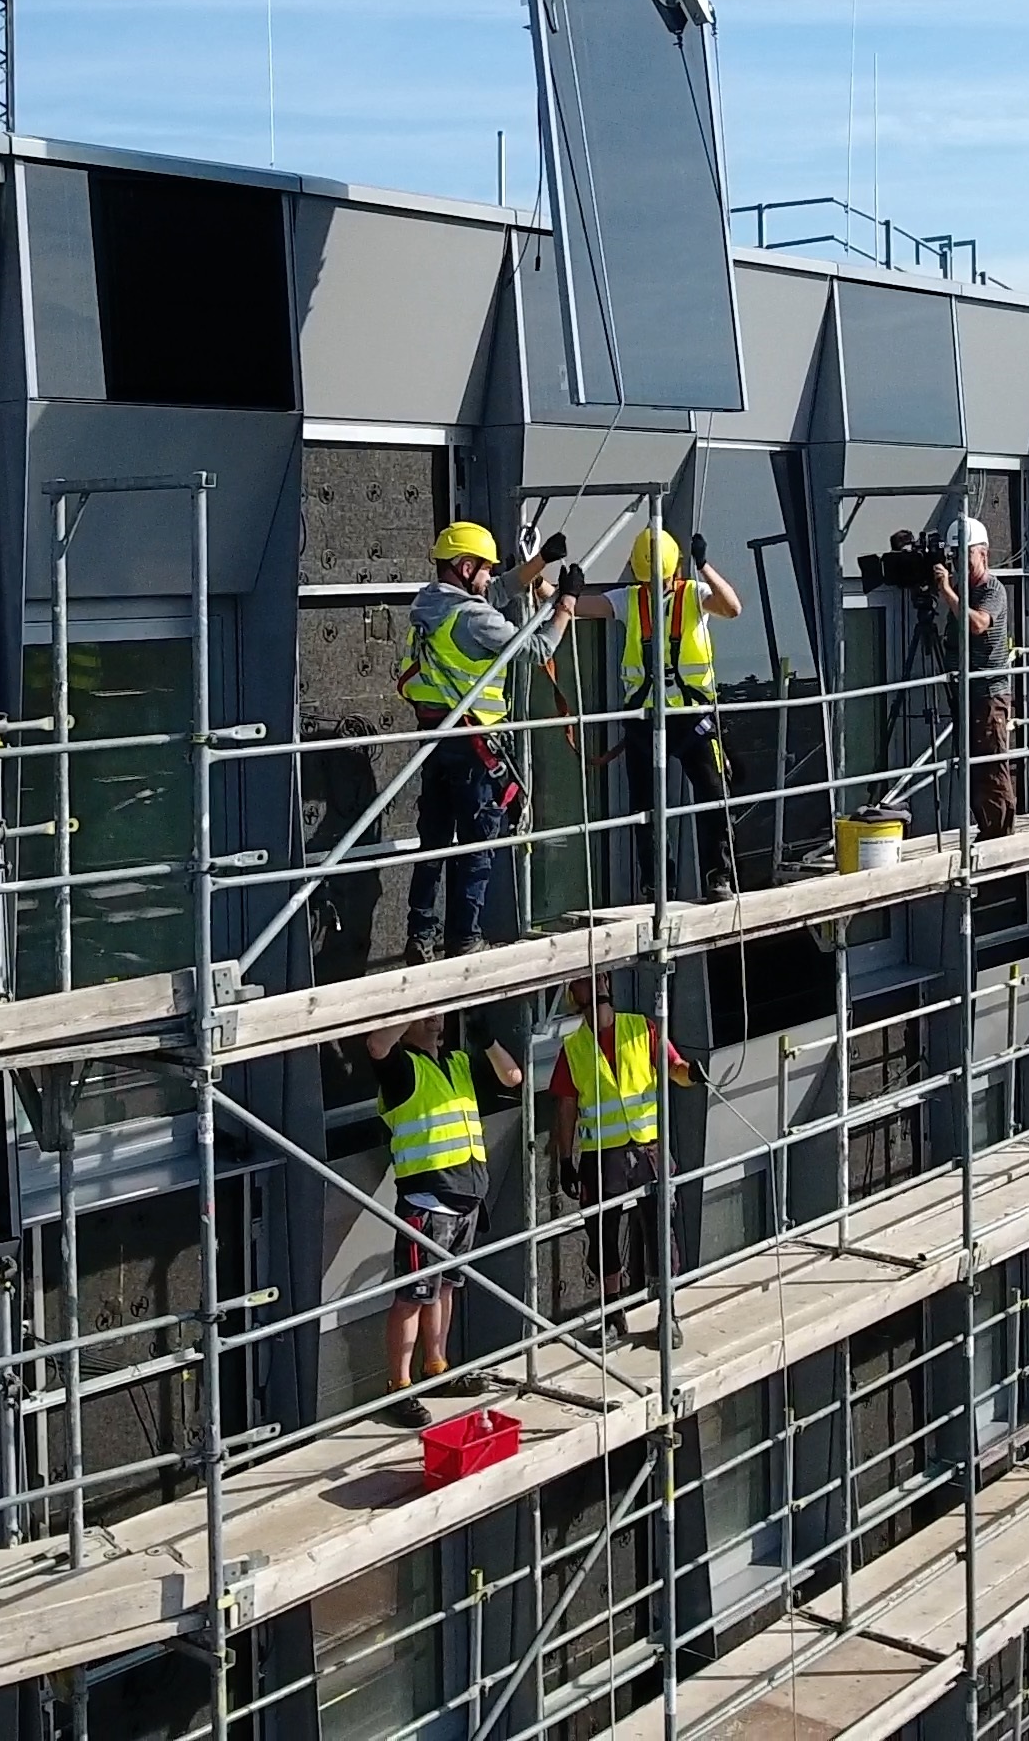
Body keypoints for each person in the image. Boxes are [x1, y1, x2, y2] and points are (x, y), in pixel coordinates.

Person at [399, 519, 571, 965]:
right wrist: (565, 604)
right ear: (465, 565)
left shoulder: (430, 605)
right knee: (477, 843)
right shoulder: (475, 618)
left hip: (436, 740)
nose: (491, 577)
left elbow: (497, 591)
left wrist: (541, 562)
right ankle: (464, 939)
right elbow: (537, 651)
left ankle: (421, 935)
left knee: (434, 841)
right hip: (477, 746)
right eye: (485, 568)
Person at [365, 1007, 523, 1425]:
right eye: (425, 1015)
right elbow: (377, 1045)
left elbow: (513, 1078)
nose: (435, 1019)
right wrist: (412, 1002)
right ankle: (398, 1387)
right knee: (411, 1299)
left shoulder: (456, 1062)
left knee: (445, 1290)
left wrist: (487, 1039)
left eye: (438, 1013)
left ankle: (436, 1368)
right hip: (427, 1202)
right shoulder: (403, 1069)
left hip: (467, 1199)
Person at [569, 528, 745, 901]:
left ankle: (718, 878)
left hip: (692, 716)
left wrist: (705, 567)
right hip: (645, 719)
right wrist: (555, 586)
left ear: (676, 570)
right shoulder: (629, 600)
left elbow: (731, 607)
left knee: (715, 797)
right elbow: (577, 608)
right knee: (646, 810)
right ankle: (657, 886)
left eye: (660, 578)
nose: (655, 585)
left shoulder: (693, 595)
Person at [545, 975, 700, 1333]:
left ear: (607, 986)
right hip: (602, 1154)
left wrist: (691, 1074)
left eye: (596, 985)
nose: (592, 992)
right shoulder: (574, 1047)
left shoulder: (640, 1028)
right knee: (603, 1234)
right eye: (583, 987)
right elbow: (566, 1108)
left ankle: (667, 1313)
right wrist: (566, 1160)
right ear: (573, 998)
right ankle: (613, 1315)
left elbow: (672, 1066)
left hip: (647, 1148)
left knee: (660, 1229)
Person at [929, 516, 1019, 840]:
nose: (959, 565)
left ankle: (999, 831)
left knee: (991, 765)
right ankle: (986, 825)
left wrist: (947, 592)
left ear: (983, 554)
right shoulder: (960, 588)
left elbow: (978, 623)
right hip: (966, 693)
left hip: (988, 694)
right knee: (973, 765)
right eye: (955, 557)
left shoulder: (991, 589)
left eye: (965, 556)